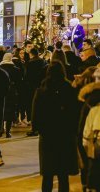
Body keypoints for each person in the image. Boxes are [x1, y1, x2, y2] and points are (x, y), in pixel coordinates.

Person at [32, 61, 79, 192]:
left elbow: (35, 114)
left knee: (47, 174)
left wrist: (38, 129)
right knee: (63, 175)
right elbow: (75, 113)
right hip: (65, 136)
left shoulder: (42, 90)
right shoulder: (69, 89)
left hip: (47, 136)